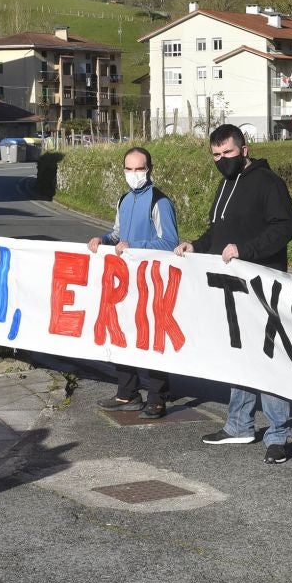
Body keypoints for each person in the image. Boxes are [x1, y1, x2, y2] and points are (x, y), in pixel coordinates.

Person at [174, 124, 292, 464]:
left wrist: (247, 249)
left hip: (263, 285)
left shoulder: (269, 183)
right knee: (240, 356)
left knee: (268, 360)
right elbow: (218, 231)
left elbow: (285, 227)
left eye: (228, 153)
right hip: (231, 289)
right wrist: (196, 245)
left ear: (244, 150)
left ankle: (277, 435)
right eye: (216, 155)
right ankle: (239, 424)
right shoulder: (225, 183)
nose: (222, 160)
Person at [90, 147, 180, 419]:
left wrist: (134, 246)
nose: (133, 174)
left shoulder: (159, 201)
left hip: (152, 280)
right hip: (124, 279)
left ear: (149, 169)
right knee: (121, 333)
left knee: (150, 337)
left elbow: (169, 242)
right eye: (128, 169)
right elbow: (117, 234)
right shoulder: (124, 199)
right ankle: (127, 392)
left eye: (138, 169)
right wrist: (103, 240)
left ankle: (157, 397)